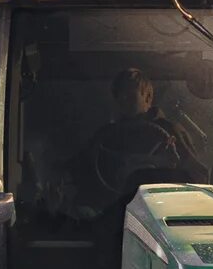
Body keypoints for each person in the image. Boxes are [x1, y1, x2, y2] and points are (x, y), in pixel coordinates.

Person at [79, 65, 199, 204]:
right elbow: (84, 172)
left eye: (130, 95)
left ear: (148, 97)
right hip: (114, 207)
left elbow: (194, 175)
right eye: (119, 95)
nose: (123, 99)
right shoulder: (106, 136)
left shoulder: (171, 131)